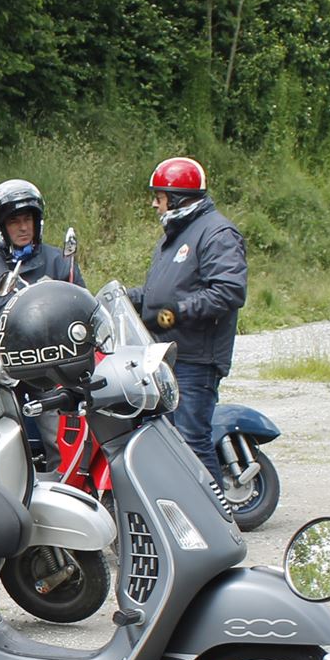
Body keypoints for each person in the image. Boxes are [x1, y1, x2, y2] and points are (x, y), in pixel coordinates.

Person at [126, 156, 247, 482]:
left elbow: (228, 291)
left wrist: (173, 314)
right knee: (169, 444)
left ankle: (215, 513)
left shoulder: (217, 233)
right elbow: (160, 293)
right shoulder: (175, 236)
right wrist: (124, 297)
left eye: (160, 197)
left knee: (192, 443)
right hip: (168, 356)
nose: (155, 204)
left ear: (178, 198)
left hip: (196, 359)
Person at [0, 179, 84, 357]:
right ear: (0, 228)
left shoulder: (60, 262)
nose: (23, 228)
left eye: (28, 219)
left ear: (37, 222)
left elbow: (81, 312)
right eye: (14, 221)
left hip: (52, 361)